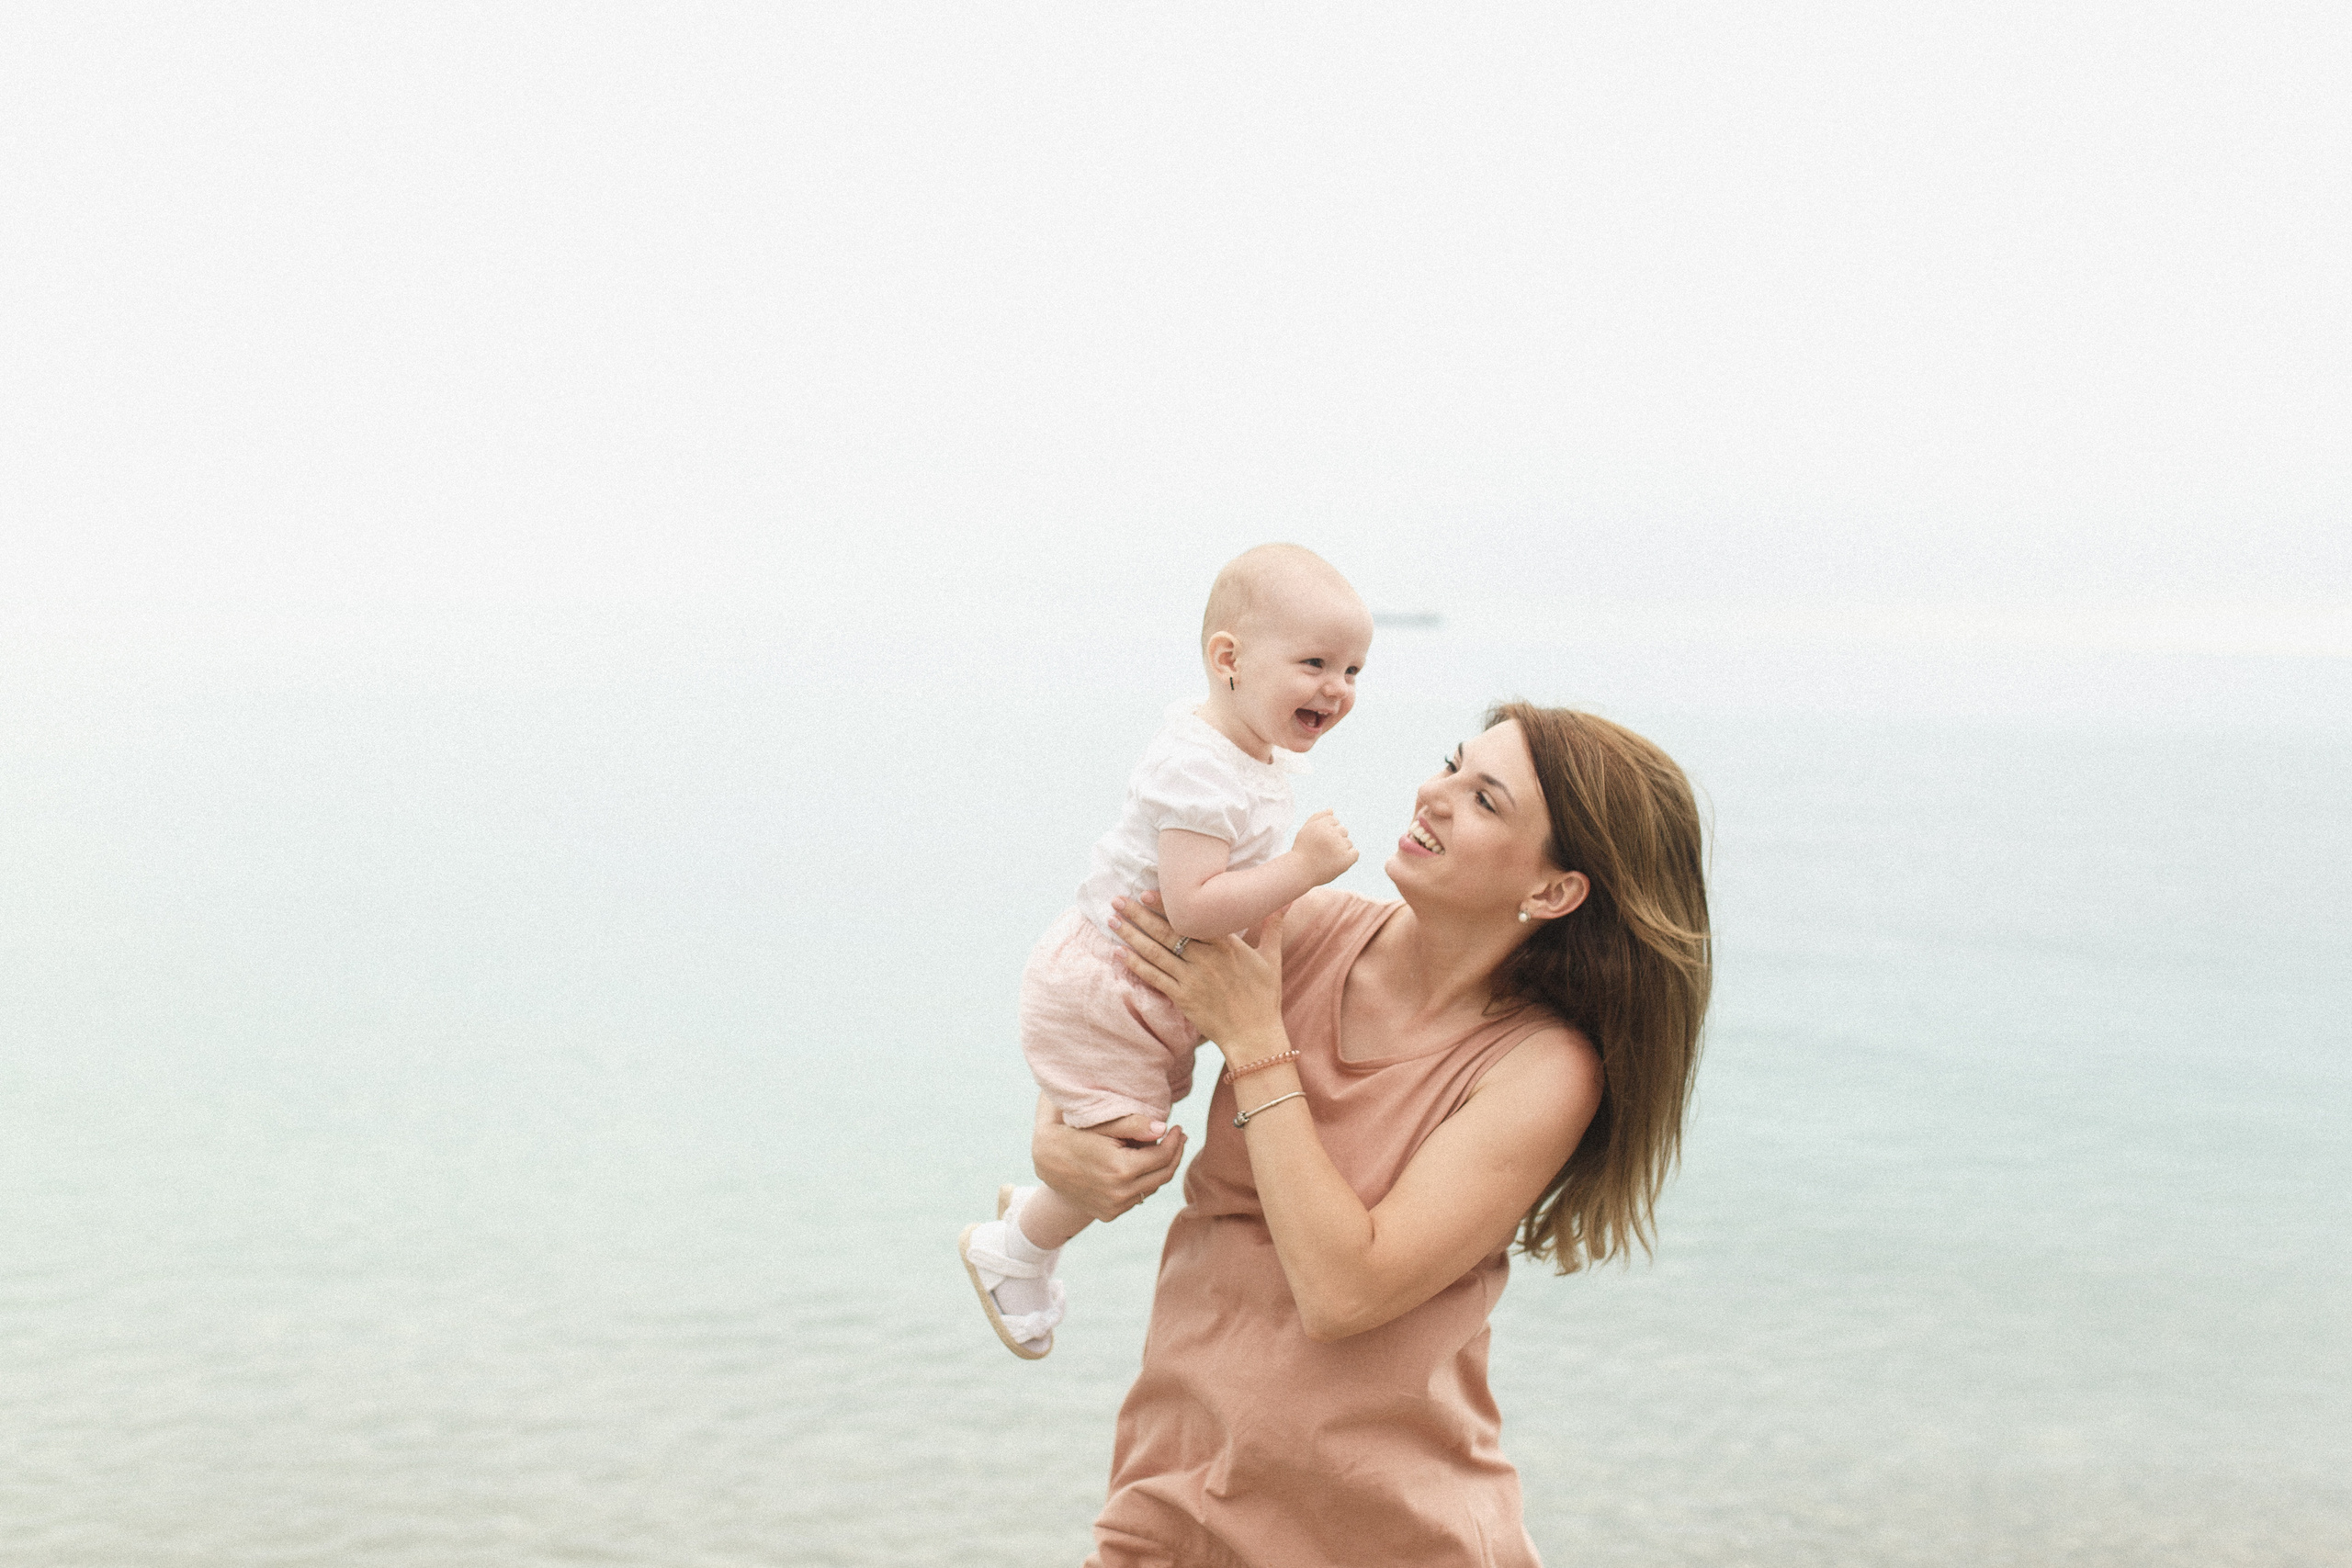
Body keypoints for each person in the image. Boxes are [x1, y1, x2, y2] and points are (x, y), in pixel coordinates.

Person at [1036, 703, 1712, 1567]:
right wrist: (1056, 1142)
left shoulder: (1542, 1069)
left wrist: (1253, 1041)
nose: (1433, 794)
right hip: (1167, 1512)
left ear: (1552, 891)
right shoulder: (1301, 930)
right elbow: (1098, 1013)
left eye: (1485, 800)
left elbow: (1344, 1290)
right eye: (1450, 765)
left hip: (1388, 1542)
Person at [959, 544, 1378, 1359]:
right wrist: (1305, 866)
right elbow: (1194, 903)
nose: (1338, 688)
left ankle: (1033, 1210)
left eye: (1355, 671)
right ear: (1229, 659)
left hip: (1140, 987)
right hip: (1108, 986)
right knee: (1129, 1149)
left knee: (1120, 1133)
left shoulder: (1241, 752)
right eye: (1316, 663)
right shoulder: (1197, 770)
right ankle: (1015, 1247)